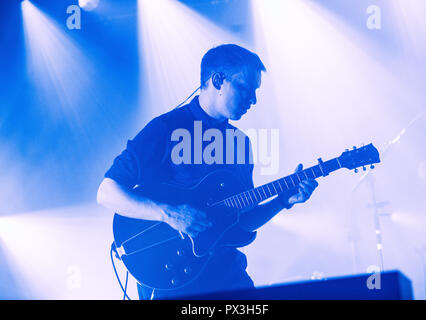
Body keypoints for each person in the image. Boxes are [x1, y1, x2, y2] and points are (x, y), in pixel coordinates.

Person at [96, 44, 318, 299]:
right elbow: (106, 192)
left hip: (227, 275)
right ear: (217, 80)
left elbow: (243, 220)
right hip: (172, 277)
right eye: (245, 88)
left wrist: (282, 201)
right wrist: (168, 214)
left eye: (256, 91)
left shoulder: (240, 143)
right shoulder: (165, 128)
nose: (253, 100)